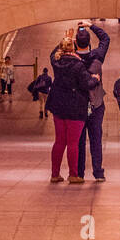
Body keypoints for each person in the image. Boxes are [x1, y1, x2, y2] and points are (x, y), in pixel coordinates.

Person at [48, 37, 94, 183]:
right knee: (73, 143)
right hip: (75, 107)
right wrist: (96, 78)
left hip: (58, 106)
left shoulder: (56, 62)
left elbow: (52, 53)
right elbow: (87, 84)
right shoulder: (78, 65)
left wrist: (64, 38)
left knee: (59, 142)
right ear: (73, 48)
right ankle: (73, 174)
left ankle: (55, 174)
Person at [69, 23, 111, 182]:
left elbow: (55, 56)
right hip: (96, 104)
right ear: (89, 42)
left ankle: (79, 173)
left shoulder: (71, 60)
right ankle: (98, 172)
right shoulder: (97, 55)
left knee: (79, 141)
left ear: (75, 43)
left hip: (77, 106)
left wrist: (68, 39)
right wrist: (91, 25)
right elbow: (105, 39)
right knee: (96, 139)